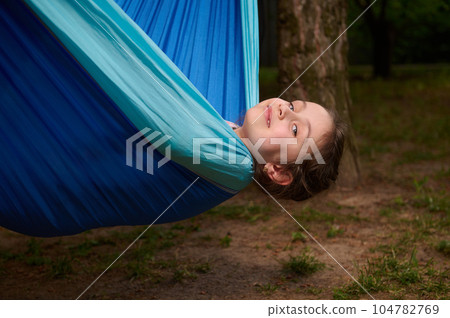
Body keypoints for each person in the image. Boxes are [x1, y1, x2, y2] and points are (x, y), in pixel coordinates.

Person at [228, 98, 346, 201]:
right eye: (292, 106)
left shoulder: (218, 158)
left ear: (280, 172)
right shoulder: (222, 126)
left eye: (295, 129)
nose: (284, 108)